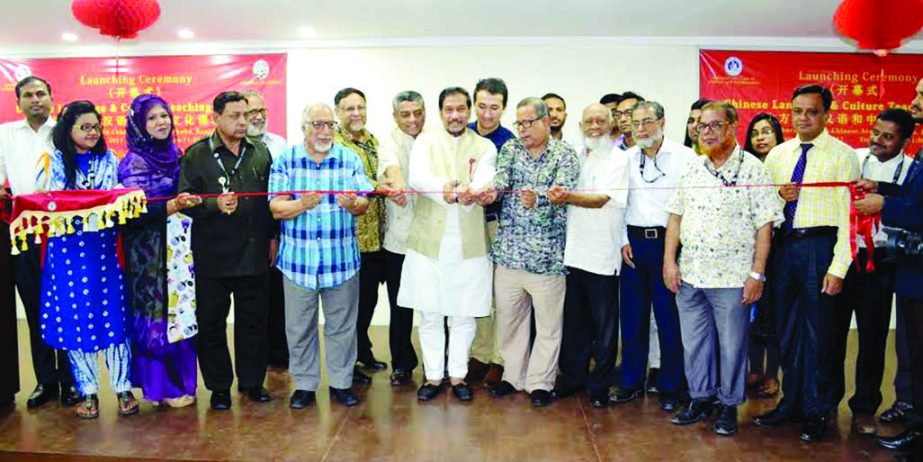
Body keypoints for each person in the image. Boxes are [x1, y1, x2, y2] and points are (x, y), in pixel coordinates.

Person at [664, 101, 781, 436]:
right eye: (702, 126)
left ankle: (728, 404)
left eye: (716, 125)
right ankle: (700, 398)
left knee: (732, 345)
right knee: (695, 343)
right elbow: (675, 217)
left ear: (732, 126)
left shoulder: (753, 170)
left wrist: (757, 274)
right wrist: (669, 262)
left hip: (732, 277)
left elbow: (765, 226)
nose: (708, 131)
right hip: (690, 275)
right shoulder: (693, 168)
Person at [756, 84, 860, 443]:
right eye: (798, 111)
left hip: (821, 245)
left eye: (812, 111)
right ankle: (793, 403)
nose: (803, 118)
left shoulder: (843, 155)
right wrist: (776, 194)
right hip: (786, 247)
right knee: (787, 331)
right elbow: (763, 207)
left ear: (826, 115)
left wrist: (838, 267)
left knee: (820, 334)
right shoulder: (778, 155)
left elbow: (851, 216)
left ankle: (819, 409)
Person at [34, 100, 139, 418]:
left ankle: (123, 388)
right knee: (75, 322)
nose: (93, 132)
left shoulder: (109, 159)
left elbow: (117, 199)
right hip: (65, 256)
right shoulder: (51, 161)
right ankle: (88, 393)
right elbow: (43, 203)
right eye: (85, 127)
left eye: (96, 127)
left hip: (104, 251)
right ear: (69, 130)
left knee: (115, 319)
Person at [269, 103, 373, 409]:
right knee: (299, 328)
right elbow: (275, 208)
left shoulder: (349, 158)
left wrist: (354, 204)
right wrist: (302, 204)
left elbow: (364, 202)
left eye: (330, 125)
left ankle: (341, 383)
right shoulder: (286, 160)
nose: (325, 131)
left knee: (342, 327)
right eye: (318, 124)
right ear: (304, 128)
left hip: (341, 261)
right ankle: (304, 384)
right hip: (297, 264)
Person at [398, 87, 496, 402]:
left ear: (469, 112)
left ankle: (457, 376)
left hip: (469, 243)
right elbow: (416, 177)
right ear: (440, 113)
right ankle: (432, 376)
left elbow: (485, 178)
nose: (455, 115)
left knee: (464, 313)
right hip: (428, 242)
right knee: (429, 312)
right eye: (448, 109)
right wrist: (445, 190)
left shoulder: (484, 146)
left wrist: (471, 191)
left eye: (460, 109)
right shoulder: (425, 141)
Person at [179, 91, 274, 410]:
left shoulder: (260, 152)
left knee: (254, 324)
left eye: (246, 115)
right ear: (215, 117)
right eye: (235, 115)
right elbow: (184, 202)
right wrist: (212, 204)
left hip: (254, 253)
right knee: (212, 324)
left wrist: (273, 238)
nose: (243, 121)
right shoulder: (196, 155)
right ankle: (219, 386)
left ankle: (251, 382)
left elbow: (269, 202)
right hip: (212, 257)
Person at [482, 97, 579, 407]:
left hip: (547, 258)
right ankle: (513, 376)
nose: (522, 129)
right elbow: (501, 180)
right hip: (509, 253)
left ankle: (540, 382)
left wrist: (539, 199)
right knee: (510, 321)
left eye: (527, 123)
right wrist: (490, 191)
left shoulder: (565, 154)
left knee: (549, 326)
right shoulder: (510, 149)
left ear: (545, 121)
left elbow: (563, 192)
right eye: (518, 124)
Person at [830, 109, 915, 436]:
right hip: (846, 255)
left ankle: (864, 407)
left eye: (887, 136)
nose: (876, 140)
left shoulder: (911, 172)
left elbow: (909, 206)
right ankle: (828, 401)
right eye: (875, 132)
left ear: (906, 141)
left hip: (882, 261)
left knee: (873, 336)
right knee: (835, 332)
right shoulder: (855, 158)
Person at [0, 76, 80, 407]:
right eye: (29, 95)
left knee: (68, 306)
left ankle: (72, 381)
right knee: (35, 308)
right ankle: (46, 381)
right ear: (18, 102)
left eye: (42, 93)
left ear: (51, 97)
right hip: (24, 231)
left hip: (63, 231)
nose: (36, 100)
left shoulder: (64, 132)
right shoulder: (5, 134)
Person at [118, 94, 201, 408]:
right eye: (152, 118)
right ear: (139, 124)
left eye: (164, 116)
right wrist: (172, 205)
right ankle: (159, 387)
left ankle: (180, 384)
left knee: (179, 313)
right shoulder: (132, 162)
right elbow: (134, 211)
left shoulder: (177, 155)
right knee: (157, 315)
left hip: (177, 248)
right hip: (148, 253)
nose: (160, 122)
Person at [613, 101, 696, 411]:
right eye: (636, 123)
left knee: (668, 319)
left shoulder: (685, 157)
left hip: (668, 245)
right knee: (632, 319)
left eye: (648, 121)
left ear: (662, 121)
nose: (642, 128)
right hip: (633, 245)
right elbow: (619, 204)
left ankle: (671, 386)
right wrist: (623, 240)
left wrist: (671, 253)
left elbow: (687, 206)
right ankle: (631, 382)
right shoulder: (625, 159)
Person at [550, 103, 629, 407]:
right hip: (574, 253)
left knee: (604, 329)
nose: (594, 126)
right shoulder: (576, 156)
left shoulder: (619, 159)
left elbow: (601, 199)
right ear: (581, 126)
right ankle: (573, 379)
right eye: (588, 122)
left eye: (600, 121)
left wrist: (567, 197)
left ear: (611, 126)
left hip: (603, 255)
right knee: (575, 324)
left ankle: (599, 387)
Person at [333, 87, 384, 382]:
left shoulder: (372, 141)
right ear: (338, 111)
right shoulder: (336, 146)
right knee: (350, 306)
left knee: (368, 302)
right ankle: (347, 364)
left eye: (360, 107)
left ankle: (362, 351)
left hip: (375, 236)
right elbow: (357, 183)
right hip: (349, 238)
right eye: (349, 108)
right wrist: (382, 184)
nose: (356, 113)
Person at [467, 77, 516, 386]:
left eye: (494, 108)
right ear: (474, 103)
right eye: (482, 106)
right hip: (465, 222)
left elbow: (510, 182)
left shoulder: (510, 141)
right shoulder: (462, 133)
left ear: (504, 107)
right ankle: (478, 353)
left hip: (497, 223)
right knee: (475, 290)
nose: (487, 114)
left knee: (500, 293)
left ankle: (499, 358)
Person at [377, 91, 426, 386]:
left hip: (432, 239)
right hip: (398, 241)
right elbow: (392, 170)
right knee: (400, 306)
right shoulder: (388, 143)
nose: (412, 119)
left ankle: (440, 365)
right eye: (405, 114)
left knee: (436, 306)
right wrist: (398, 186)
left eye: (417, 113)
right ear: (395, 117)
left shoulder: (435, 140)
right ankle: (403, 364)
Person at [243, 89, 288, 370]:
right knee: (252, 302)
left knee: (277, 296)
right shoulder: (233, 147)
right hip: (244, 235)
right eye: (251, 113)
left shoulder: (280, 144)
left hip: (278, 231)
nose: (258, 117)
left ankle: (279, 354)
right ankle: (254, 361)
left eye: (262, 111)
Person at [743, 112, 785, 400]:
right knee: (753, 313)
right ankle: (754, 369)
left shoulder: (786, 163)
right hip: (749, 248)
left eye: (767, 131)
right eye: (755, 132)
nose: (760, 137)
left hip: (781, 248)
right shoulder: (743, 167)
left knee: (775, 314)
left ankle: (772, 375)